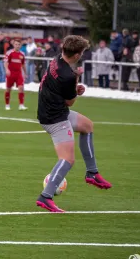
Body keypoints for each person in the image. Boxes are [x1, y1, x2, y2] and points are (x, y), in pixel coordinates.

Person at [36, 35, 112, 213]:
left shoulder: (57, 59)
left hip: (51, 110)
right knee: (68, 159)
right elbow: (70, 102)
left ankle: (92, 173)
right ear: (77, 55)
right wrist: (76, 81)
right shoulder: (68, 75)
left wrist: (73, 85)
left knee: (87, 126)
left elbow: (62, 88)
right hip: (56, 118)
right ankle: (46, 197)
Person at [4, 38, 28, 111]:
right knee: (8, 89)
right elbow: (6, 63)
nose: (17, 46)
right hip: (11, 74)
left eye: (18, 44)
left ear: (20, 46)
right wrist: (7, 69)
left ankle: (21, 105)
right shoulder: (9, 53)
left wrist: (25, 73)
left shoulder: (22, 54)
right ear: (13, 45)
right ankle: (7, 105)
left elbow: (23, 64)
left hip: (18, 74)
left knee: (21, 88)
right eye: (16, 44)